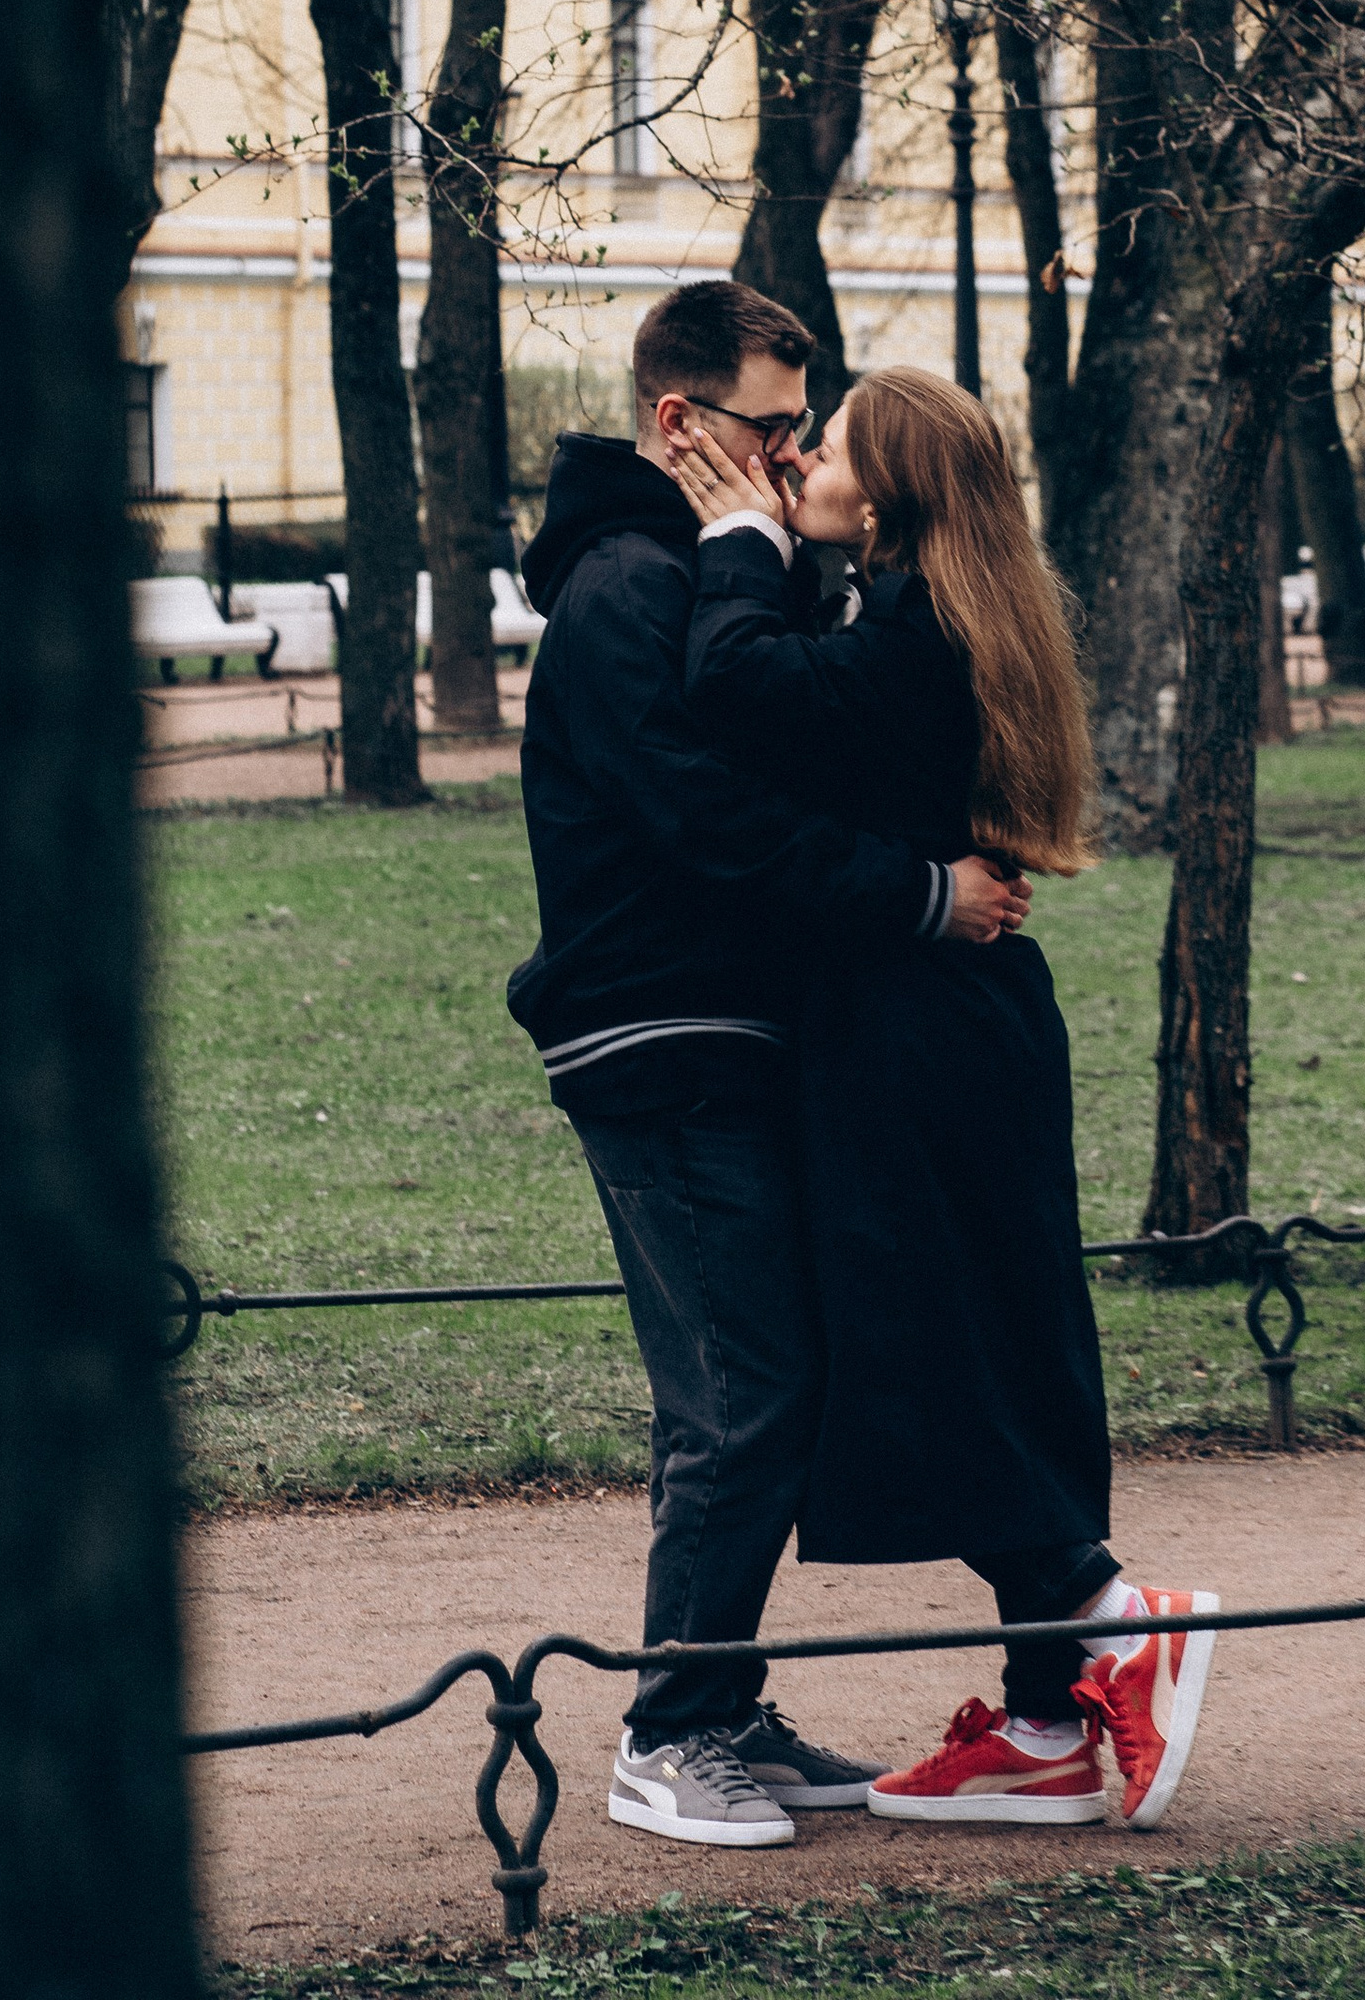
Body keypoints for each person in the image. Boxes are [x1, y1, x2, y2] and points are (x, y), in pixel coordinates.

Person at [508, 283, 1029, 1853]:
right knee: (743, 1396)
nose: (800, 458)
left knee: (768, 1382)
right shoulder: (624, 584)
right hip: (657, 1030)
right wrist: (920, 895)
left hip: (734, 1027)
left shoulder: (709, 569)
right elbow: (704, 817)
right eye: (776, 429)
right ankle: (670, 1735)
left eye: (810, 429)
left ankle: (718, 1702)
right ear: (683, 427)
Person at [660, 367, 1217, 1833]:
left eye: (825, 443)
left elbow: (730, 688)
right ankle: (1044, 1723)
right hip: (962, 1023)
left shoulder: (910, 633)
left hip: (912, 1033)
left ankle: (1107, 1616)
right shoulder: (954, 614)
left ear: (887, 490)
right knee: (1010, 1342)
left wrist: (736, 544)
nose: (798, 457)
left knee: (925, 1342)